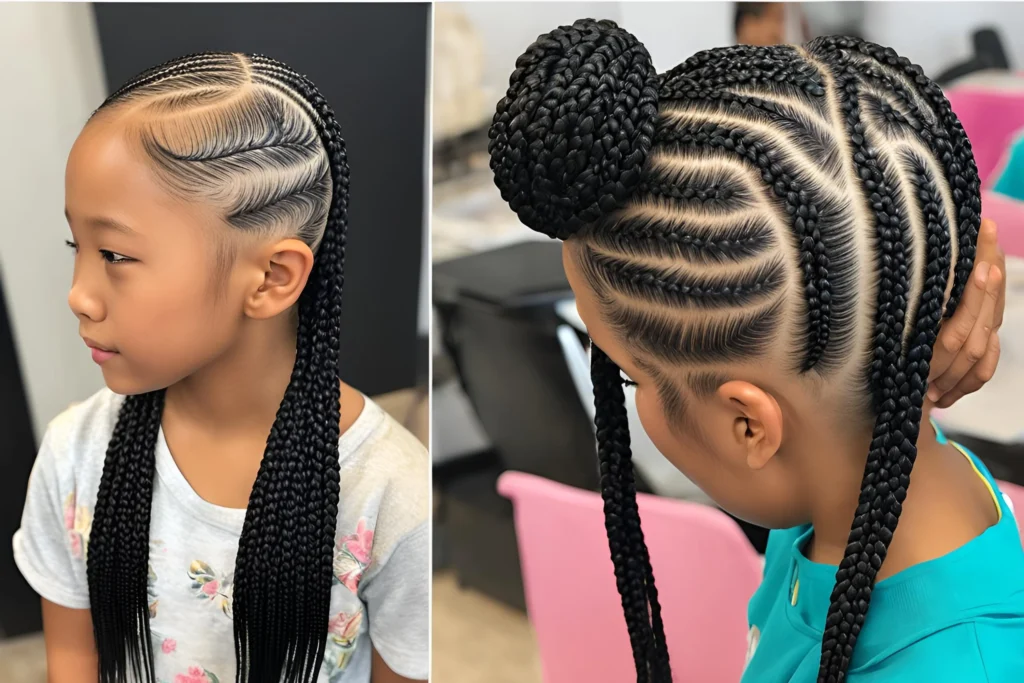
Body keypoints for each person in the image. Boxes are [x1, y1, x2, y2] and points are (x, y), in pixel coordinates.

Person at [487, 19, 1020, 682]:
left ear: (749, 425)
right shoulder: (861, 482)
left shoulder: (955, 665)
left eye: (627, 379)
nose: (626, 398)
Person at [13, 53, 428, 683]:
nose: (79, 293)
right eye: (79, 247)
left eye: (116, 254)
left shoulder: (389, 497)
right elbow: (72, 660)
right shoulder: (77, 456)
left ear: (270, 277)